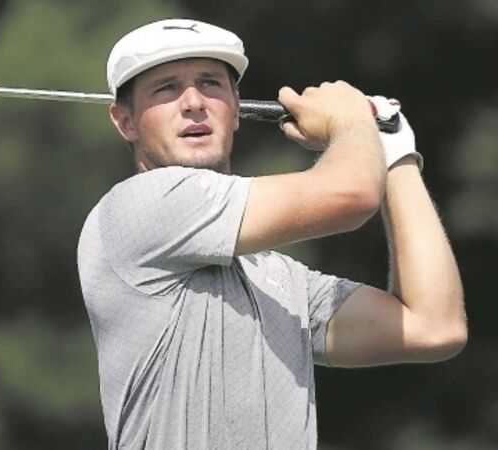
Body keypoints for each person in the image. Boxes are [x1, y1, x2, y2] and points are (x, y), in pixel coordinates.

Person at [76, 18, 467, 449]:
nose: (193, 102)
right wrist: (353, 122)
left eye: (209, 83)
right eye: (166, 88)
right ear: (125, 122)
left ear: (236, 108)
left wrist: (396, 156)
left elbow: (434, 326)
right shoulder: (139, 206)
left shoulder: (278, 280)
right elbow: (352, 194)